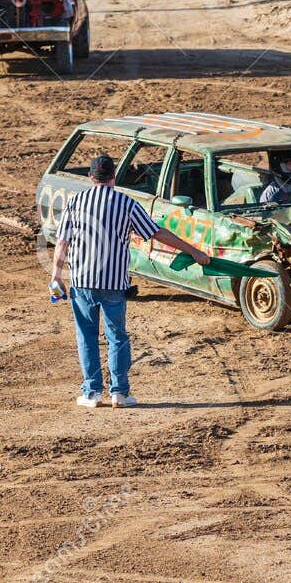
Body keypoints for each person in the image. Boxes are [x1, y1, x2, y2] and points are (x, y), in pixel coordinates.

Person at [50, 153, 211, 408]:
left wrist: (56, 277)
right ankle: (119, 393)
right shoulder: (127, 203)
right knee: (117, 337)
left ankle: (92, 393)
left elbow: (62, 243)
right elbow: (157, 233)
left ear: (90, 177)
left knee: (86, 336)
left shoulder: (76, 201)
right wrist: (193, 250)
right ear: (114, 176)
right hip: (114, 281)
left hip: (82, 280)